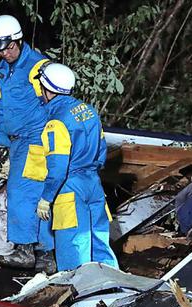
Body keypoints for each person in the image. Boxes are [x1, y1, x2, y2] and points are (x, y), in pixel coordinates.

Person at [0, 14, 55, 272]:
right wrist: (1, 141)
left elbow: (54, 103)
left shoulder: (38, 67)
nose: (4, 53)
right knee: (32, 193)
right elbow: (3, 107)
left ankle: (27, 249)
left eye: (8, 47)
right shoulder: (2, 69)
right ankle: (45, 251)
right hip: (16, 141)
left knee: (24, 192)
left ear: (18, 40)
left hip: (35, 139)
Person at [34, 63, 118, 271]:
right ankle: (113, 288)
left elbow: (58, 168)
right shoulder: (88, 111)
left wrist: (46, 199)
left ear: (47, 88)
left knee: (73, 247)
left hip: (69, 189)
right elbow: (101, 151)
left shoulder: (57, 122)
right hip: (94, 185)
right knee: (100, 242)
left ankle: (79, 297)